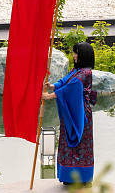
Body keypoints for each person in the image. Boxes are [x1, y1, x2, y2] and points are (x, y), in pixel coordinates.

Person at [41, 42, 97, 185]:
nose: (74, 55)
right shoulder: (76, 70)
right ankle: (68, 177)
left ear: (83, 55)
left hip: (80, 112)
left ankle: (83, 179)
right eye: (74, 52)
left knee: (82, 145)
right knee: (67, 142)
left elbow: (70, 88)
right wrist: (52, 86)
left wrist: (49, 96)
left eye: (76, 53)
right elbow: (64, 82)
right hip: (71, 110)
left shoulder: (85, 73)